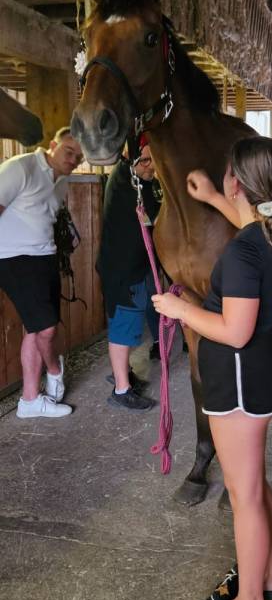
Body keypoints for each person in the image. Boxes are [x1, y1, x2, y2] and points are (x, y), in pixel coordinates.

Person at [152, 135, 272, 600]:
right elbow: (248, 226)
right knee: (254, 485)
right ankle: (267, 576)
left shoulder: (240, 256)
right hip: (258, 374)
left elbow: (234, 331)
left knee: (244, 494)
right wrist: (212, 197)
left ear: (237, 179)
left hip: (236, 380)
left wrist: (181, 308)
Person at [0, 127, 84, 418]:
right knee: (46, 329)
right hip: (14, 258)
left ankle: (30, 401)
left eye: (79, 157)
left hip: (45, 257)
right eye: (69, 151)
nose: (73, 160)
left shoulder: (63, 180)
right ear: (52, 145)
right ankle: (55, 369)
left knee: (35, 329)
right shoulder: (20, 168)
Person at [96, 142, 162, 410]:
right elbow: (155, 217)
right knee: (125, 326)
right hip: (124, 270)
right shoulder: (127, 183)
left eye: (152, 160)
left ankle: (125, 374)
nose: (151, 167)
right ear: (128, 157)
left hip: (134, 265)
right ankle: (121, 390)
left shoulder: (135, 179)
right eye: (145, 161)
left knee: (129, 322)